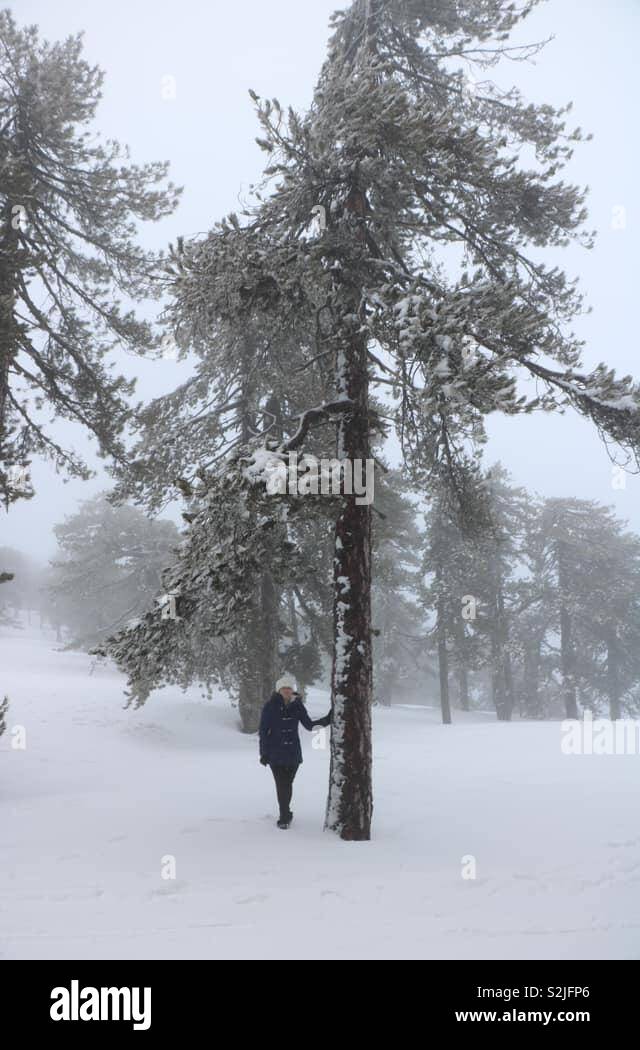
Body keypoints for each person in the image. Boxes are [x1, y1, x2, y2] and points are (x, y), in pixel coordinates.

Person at [259, 674, 331, 829]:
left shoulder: (298, 706)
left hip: (293, 753)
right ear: (279, 690)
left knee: (288, 784)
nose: (286, 690)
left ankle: (287, 813)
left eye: (289, 688)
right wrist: (263, 753)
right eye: (284, 688)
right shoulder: (270, 706)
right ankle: (284, 817)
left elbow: (310, 726)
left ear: (293, 691)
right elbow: (263, 731)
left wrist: (329, 719)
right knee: (282, 784)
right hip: (274, 753)